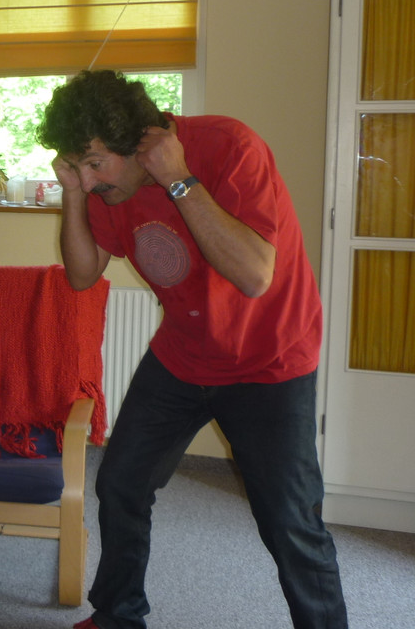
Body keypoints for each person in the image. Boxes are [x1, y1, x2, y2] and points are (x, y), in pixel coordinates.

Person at [36, 70, 347, 629]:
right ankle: (117, 617)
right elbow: (82, 276)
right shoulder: (104, 187)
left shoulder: (229, 147)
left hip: (269, 358)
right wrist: (74, 193)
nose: (88, 177)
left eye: (95, 164)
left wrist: (178, 179)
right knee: (121, 482)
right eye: (75, 165)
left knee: (289, 521)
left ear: (138, 142)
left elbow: (254, 275)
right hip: (183, 353)